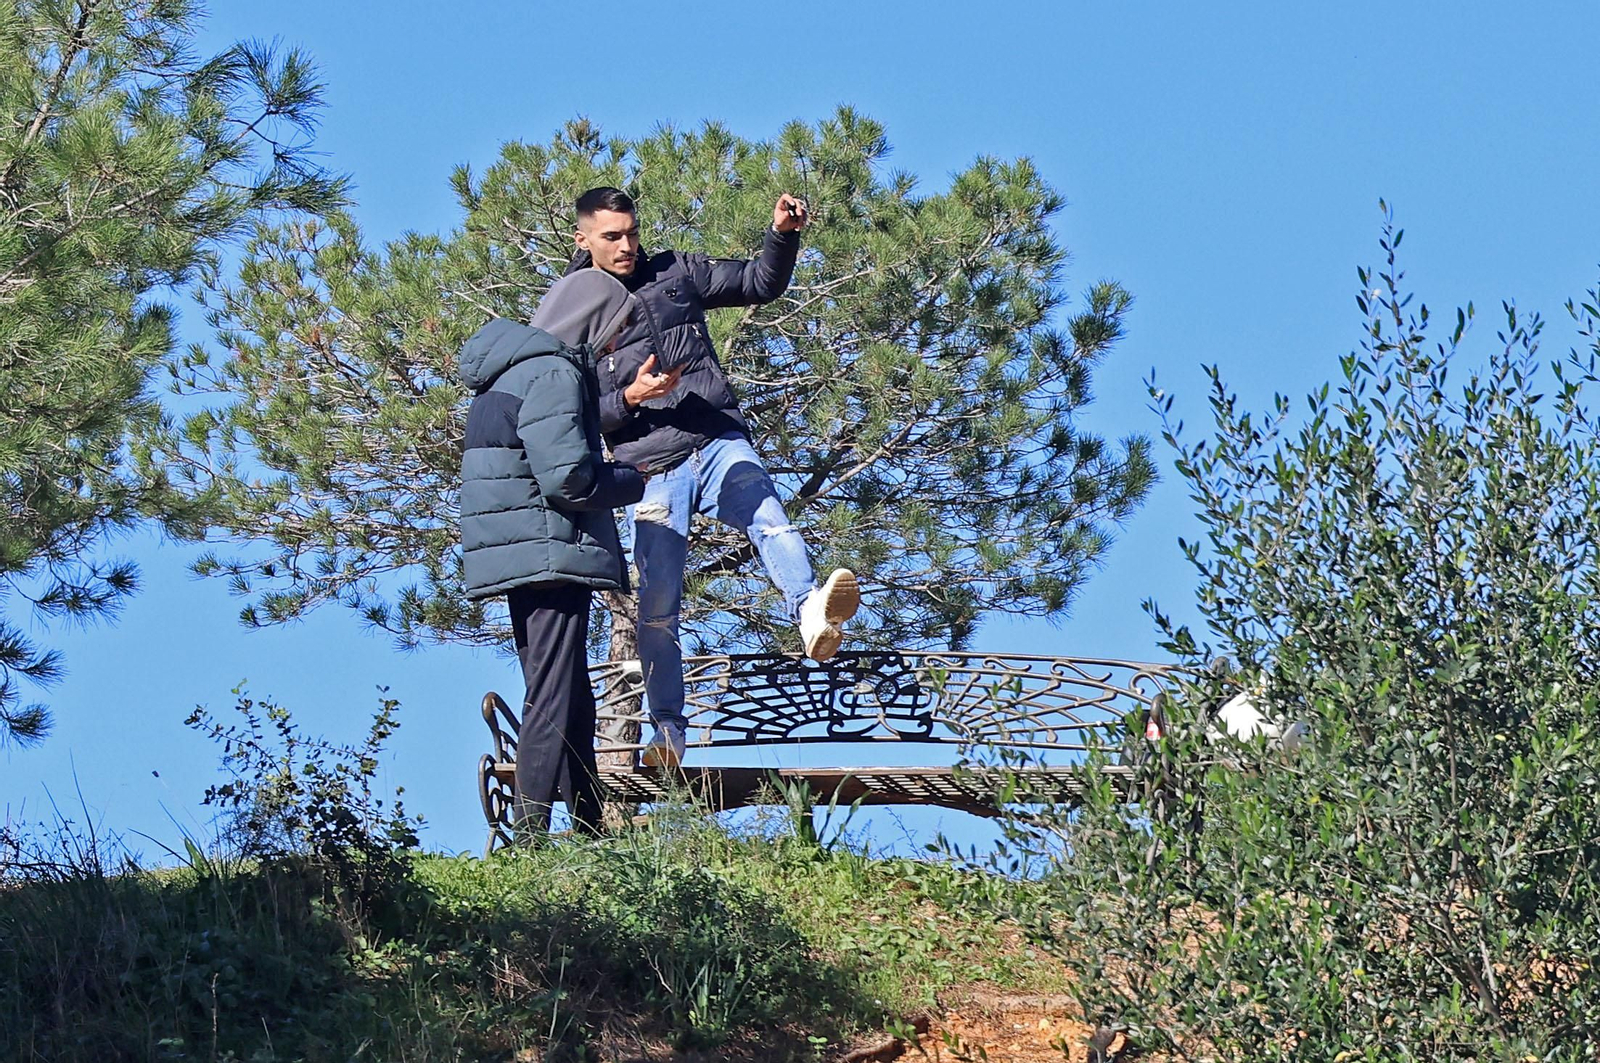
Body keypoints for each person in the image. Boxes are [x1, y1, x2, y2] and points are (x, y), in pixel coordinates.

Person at [568, 186, 860, 768]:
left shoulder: (675, 270)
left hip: (715, 438)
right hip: (649, 467)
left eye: (631, 232)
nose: (627, 246)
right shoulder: (574, 314)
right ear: (583, 240)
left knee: (768, 514)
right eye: (612, 237)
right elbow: (574, 414)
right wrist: (628, 397)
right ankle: (668, 734)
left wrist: (782, 235)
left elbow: (758, 282)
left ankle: (809, 613)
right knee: (656, 606)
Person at [457, 269, 645, 835]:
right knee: (552, 691)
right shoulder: (554, 372)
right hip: (549, 549)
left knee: (569, 689)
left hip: (518, 551)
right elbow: (568, 479)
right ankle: (531, 833)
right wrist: (632, 479)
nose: (617, 345)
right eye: (617, 330)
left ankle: (588, 826)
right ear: (593, 323)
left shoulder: (505, 373)